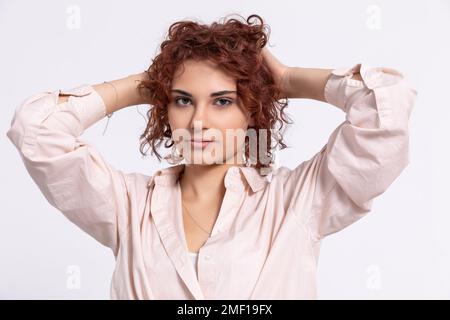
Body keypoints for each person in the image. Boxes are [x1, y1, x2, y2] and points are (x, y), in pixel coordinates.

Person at [6, 14, 417, 299]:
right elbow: (36, 130)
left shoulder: (297, 203)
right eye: (183, 100)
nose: (199, 121)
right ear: (164, 108)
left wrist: (289, 79)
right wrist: (140, 85)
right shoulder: (127, 206)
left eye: (222, 101)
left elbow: (385, 110)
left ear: (252, 109)